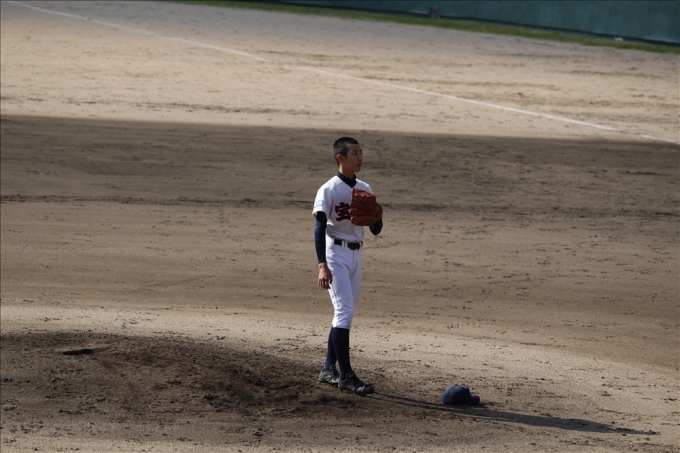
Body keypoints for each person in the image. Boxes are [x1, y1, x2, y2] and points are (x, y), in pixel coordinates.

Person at [312, 137, 383, 396]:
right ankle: (346, 375)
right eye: (355, 153)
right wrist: (322, 265)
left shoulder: (365, 187)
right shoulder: (328, 189)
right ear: (340, 158)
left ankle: (328, 369)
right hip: (335, 254)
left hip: (356, 254)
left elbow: (375, 229)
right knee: (344, 312)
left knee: (344, 313)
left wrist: (377, 216)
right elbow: (319, 227)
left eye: (361, 152)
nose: (360, 157)